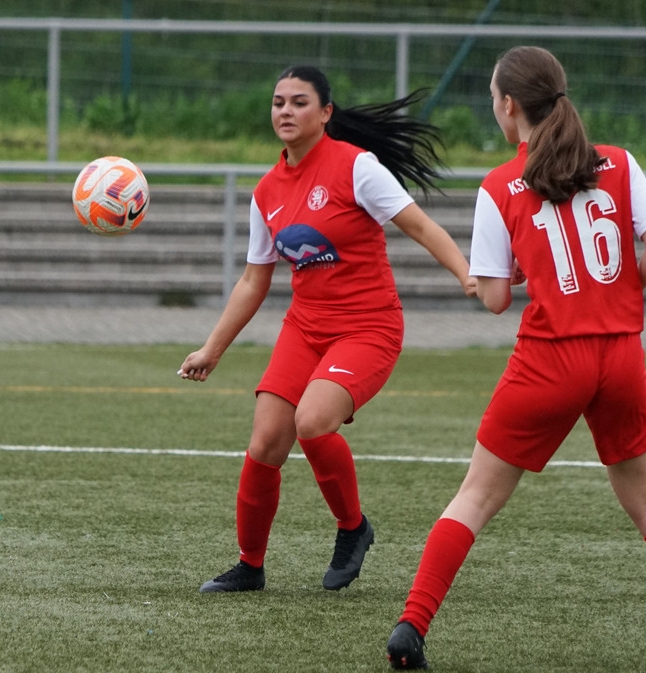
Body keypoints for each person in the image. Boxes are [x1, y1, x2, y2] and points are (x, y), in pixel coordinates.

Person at [386, 46, 646, 671]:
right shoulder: (618, 161)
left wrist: (496, 279)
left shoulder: (499, 185)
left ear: (508, 106)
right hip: (620, 356)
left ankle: (412, 626)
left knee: (475, 497)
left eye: (494, 100)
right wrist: (615, 291)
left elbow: (495, 298)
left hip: (550, 360)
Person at [180, 65, 474, 594]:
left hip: (368, 327)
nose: (286, 111)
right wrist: (211, 349)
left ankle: (352, 528)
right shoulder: (267, 190)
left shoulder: (357, 167)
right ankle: (249, 566)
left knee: (313, 421)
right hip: (305, 327)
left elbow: (419, 225)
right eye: (278, 102)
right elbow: (253, 280)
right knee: (266, 441)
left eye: (299, 102)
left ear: (325, 113)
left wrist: (466, 274)